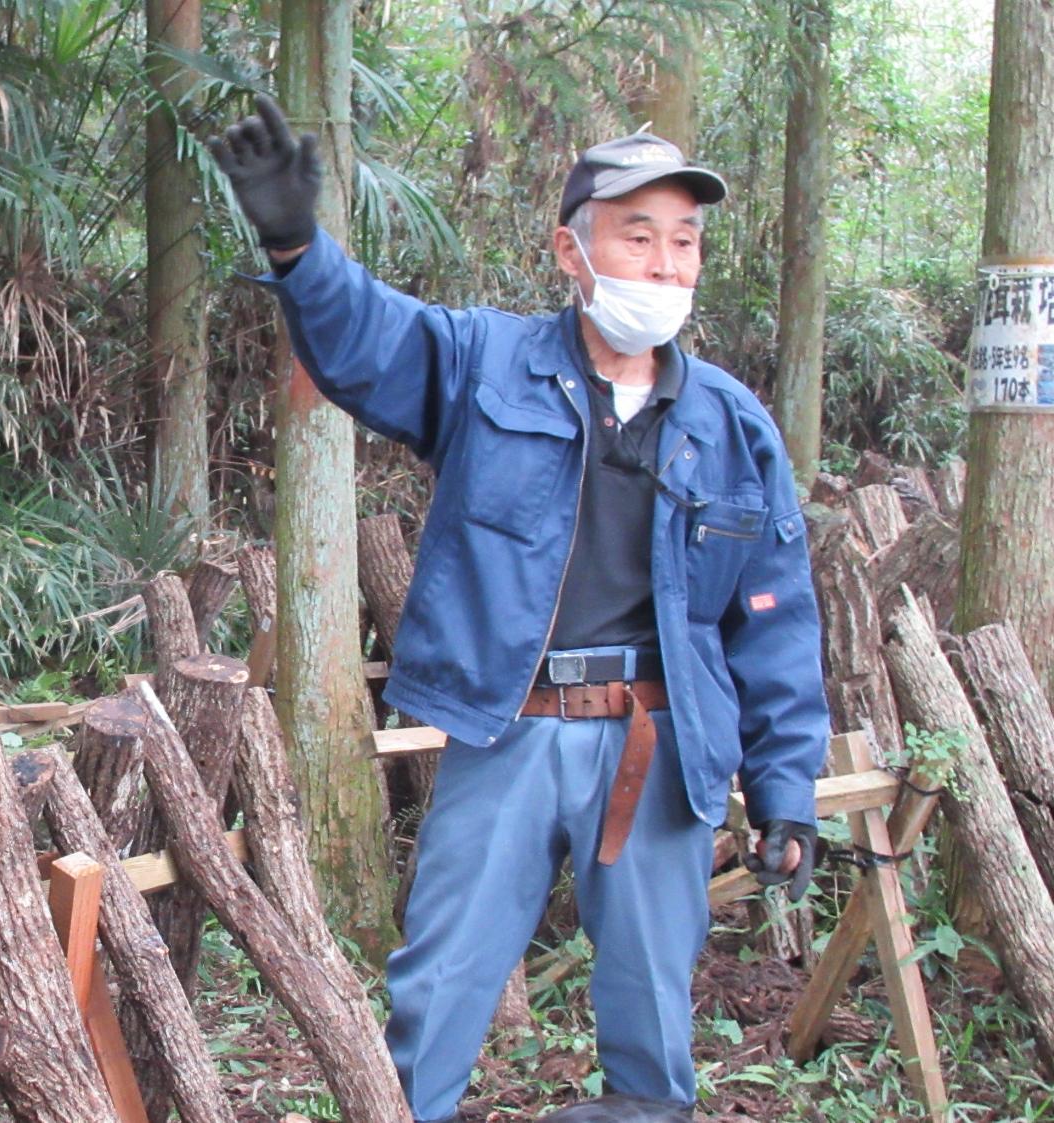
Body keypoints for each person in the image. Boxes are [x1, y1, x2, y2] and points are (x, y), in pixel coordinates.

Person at [207, 96, 830, 1122]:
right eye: (636, 237)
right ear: (569, 252)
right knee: (439, 985)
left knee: (649, 1009)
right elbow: (366, 339)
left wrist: (784, 791)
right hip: (510, 729)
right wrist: (293, 244)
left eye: (684, 242)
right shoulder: (482, 362)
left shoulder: (731, 425)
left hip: (659, 743)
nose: (666, 266)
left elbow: (771, 618)